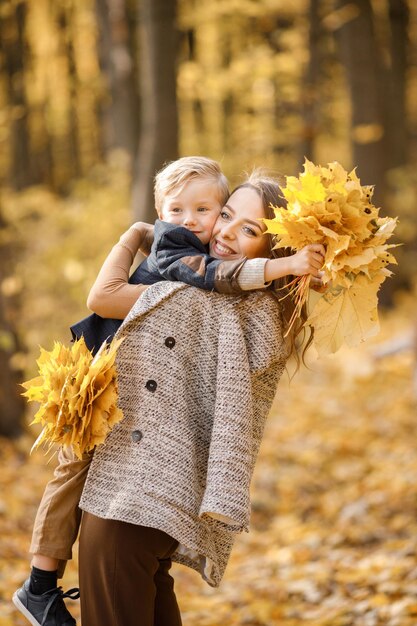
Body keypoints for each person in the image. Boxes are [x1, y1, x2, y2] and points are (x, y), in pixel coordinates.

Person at [13, 157, 324, 626]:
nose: (222, 232)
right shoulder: (238, 305)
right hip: (152, 504)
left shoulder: (200, 302)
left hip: (128, 505)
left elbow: (103, 294)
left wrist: (131, 236)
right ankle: (38, 584)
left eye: (247, 229)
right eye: (226, 217)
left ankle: (38, 585)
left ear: (272, 247)